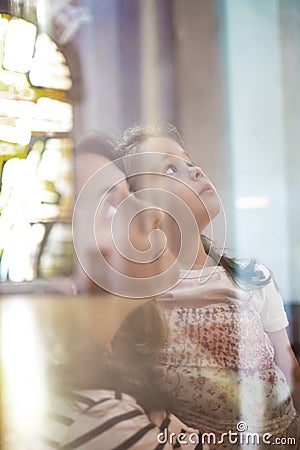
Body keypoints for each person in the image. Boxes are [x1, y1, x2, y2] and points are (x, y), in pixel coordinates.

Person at [115, 124, 300, 448]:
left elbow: (288, 370)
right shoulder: (138, 301)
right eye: (170, 169)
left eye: (189, 162)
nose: (195, 170)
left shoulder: (253, 277)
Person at [25, 148, 202, 450]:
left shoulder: (121, 368)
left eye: (130, 193)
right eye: (110, 205)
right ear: (66, 273)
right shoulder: (101, 416)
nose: (154, 213)